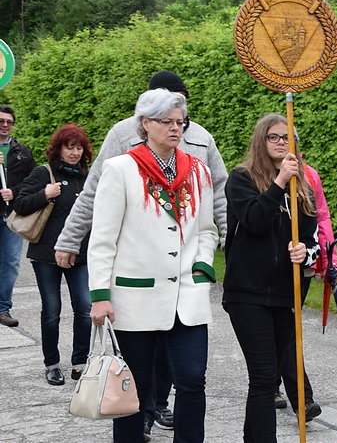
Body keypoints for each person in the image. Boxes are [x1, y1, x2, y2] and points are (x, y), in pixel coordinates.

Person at [54, 70, 228, 436]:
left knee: (193, 381)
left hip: (187, 295)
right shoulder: (121, 169)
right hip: (133, 297)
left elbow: (207, 229)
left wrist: (201, 266)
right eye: (166, 121)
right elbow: (103, 238)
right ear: (145, 123)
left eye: (181, 122)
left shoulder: (197, 172)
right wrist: (99, 297)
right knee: (135, 389)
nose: (176, 128)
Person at [223, 113, 319, 443]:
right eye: (274, 137)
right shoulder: (241, 178)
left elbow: (311, 235)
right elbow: (254, 221)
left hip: (285, 293)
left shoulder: (302, 184)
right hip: (247, 293)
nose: (281, 143)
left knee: (269, 376)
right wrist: (279, 184)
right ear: (261, 141)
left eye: (287, 137)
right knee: (264, 376)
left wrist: (304, 251)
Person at [14, 124, 93, 386]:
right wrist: (44, 194)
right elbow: (20, 205)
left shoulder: (88, 177)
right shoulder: (43, 173)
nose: (75, 153)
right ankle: (52, 364)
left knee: (84, 308)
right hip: (46, 254)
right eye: (70, 147)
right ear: (58, 148)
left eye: (79, 147)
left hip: (80, 255)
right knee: (52, 310)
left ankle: (80, 363)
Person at [275, 144, 337, 419]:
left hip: (303, 267)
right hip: (270, 269)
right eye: (275, 138)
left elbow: (321, 217)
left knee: (287, 330)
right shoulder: (258, 175)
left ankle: (286, 392)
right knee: (282, 331)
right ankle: (298, 397)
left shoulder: (309, 175)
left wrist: (329, 259)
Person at [0, 104, 36, 327]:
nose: (4, 126)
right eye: (0, 121)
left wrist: (13, 191)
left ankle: (3, 308)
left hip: (11, 216)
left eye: (9, 122)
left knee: (11, 263)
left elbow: (33, 181)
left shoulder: (22, 152)